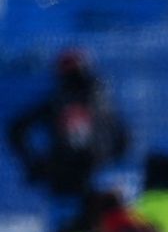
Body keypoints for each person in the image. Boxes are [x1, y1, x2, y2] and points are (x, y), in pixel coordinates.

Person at [6, 50, 131, 205]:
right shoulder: (101, 101)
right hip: (96, 177)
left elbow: (16, 129)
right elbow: (124, 137)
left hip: (68, 179)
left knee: (69, 216)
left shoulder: (59, 103)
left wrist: (35, 165)